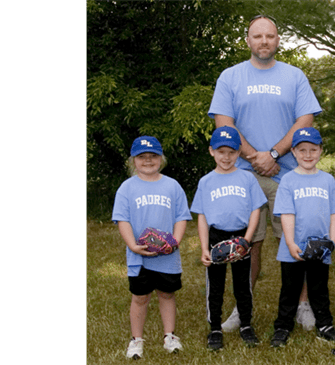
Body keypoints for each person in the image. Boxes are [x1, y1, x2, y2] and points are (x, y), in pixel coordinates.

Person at [208, 14, 323, 332]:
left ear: (278, 40)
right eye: (257, 36)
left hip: (289, 174)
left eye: (269, 36)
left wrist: (273, 154)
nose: (264, 41)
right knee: (247, 245)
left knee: (295, 240)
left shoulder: (295, 76)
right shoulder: (230, 77)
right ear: (248, 40)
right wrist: (254, 157)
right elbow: (224, 124)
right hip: (243, 175)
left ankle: (302, 305)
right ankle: (241, 309)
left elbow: (305, 121)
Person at [112, 136, 192, 359]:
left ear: (161, 159)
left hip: (167, 256)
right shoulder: (127, 188)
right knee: (140, 297)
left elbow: (181, 216)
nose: (148, 161)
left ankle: (170, 336)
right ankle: (136, 340)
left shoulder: (172, 185)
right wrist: (132, 246)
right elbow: (122, 219)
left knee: (167, 294)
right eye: (142, 157)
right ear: (133, 161)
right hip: (140, 257)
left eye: (153, 156)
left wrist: (174, 241)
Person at [190, 127, 266, 350]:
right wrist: (204, 247)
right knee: (215, 286)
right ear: (211, 151)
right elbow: (202, 216)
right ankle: (215, 327)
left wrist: (247, 240)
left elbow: (255, 210)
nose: (226, 157)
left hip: (241, 236)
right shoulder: (206, 182)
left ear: (239, 152)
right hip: (217, 237)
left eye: (231, 152)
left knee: (243, 285)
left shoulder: (247, 178)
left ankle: (245, 324)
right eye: (221, 151)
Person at [268, 127, 335, 347]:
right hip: (293, 247)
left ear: (321, 150)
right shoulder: (288, 180)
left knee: (319, 287)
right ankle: (283, 326)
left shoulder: (328, 180)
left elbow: (334, 213)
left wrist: (333, 240)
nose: (308, 154)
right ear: (293, 151)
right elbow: (287, 214)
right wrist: (291, 243)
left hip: (320, 247)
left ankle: (325, 325)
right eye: (302, 150)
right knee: (290, 289)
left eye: (313, 149)